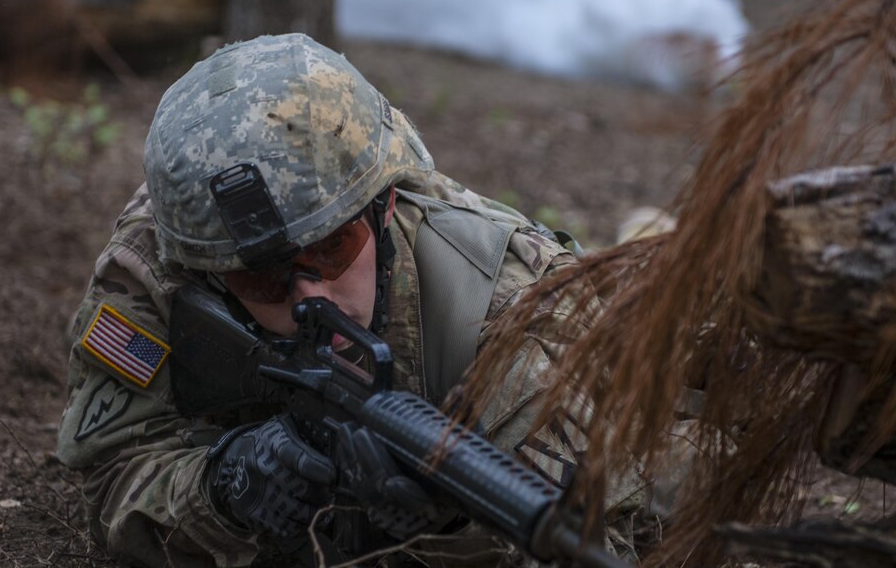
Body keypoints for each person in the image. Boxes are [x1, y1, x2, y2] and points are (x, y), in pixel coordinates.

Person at [56, 34, 678, 567]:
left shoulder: (514, 312)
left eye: (331, 249)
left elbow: (593, 543)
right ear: (212, 274)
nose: (310, 298)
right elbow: (112, 473)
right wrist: (226, 487)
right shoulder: (170, 253)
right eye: (264, 279)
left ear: (384, 209)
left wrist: (442, 532)